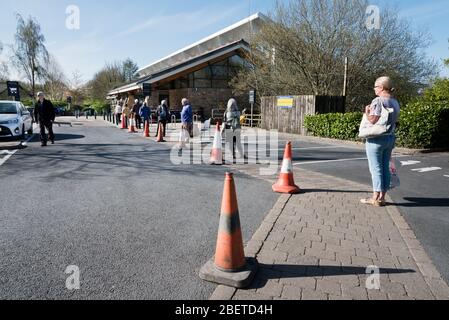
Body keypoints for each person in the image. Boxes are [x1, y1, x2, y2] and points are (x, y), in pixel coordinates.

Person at [361, 76, 400, 207]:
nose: (374, 89)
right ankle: (382, 197)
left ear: (382, 87)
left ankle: (375, 197)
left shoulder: (377, 101)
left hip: (376, 139)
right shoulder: (395, 102)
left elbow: (373, 120)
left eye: (375, 86)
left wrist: (367, 112)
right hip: (390, 138)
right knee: (385, 168)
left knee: (375, 169)